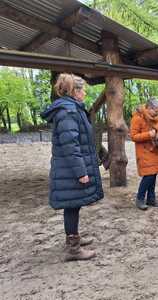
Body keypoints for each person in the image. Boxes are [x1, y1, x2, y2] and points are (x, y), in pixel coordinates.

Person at [41, 73, 104, 261]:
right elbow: (71, 146)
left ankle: (73, 238)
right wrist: (81, 171)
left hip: (68, 169)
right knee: (72, 205)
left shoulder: (71, 109)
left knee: (73, 205)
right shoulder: (68, 112)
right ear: (73, 91)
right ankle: (73, 249)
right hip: (70, 170)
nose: (84, 92)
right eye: (82, 89)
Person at [130, 97, 158, 210]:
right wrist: (149, 134)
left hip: (154, 150)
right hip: (144, 152)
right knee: (148, 176)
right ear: (149, 108)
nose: (157, 114)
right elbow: (133, 136)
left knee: (153, 175)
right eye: (156, 111)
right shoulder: (137, 117)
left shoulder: (155, 118)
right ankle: (140, 199)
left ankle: (151, 198)